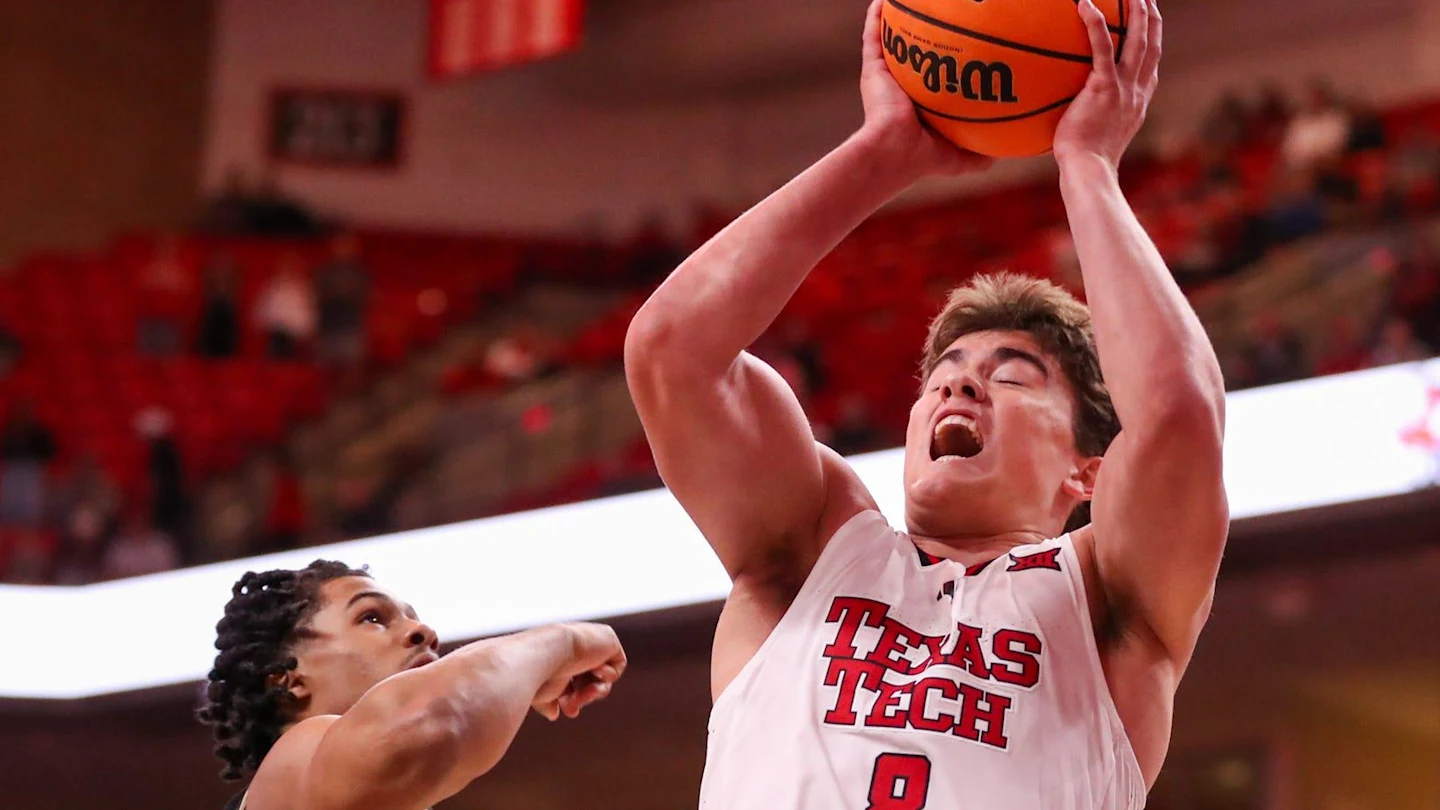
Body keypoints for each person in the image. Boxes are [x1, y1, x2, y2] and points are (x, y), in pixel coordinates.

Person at [625, 0, 1227, 806]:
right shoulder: (813, 544)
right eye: (945, 369)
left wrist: (1088, 165)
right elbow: (673, 353)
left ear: (1088, 471)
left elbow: (1179, 416)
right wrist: (883, 154)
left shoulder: (1110, 595)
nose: (960, 382)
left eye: (1014, 375)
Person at [197, 560, 626, 810]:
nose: (423, 631)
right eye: (371, 617)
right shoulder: (290, 772)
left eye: (413, 615)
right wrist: (562, 643)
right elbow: (426, 724)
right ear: (287, 681)